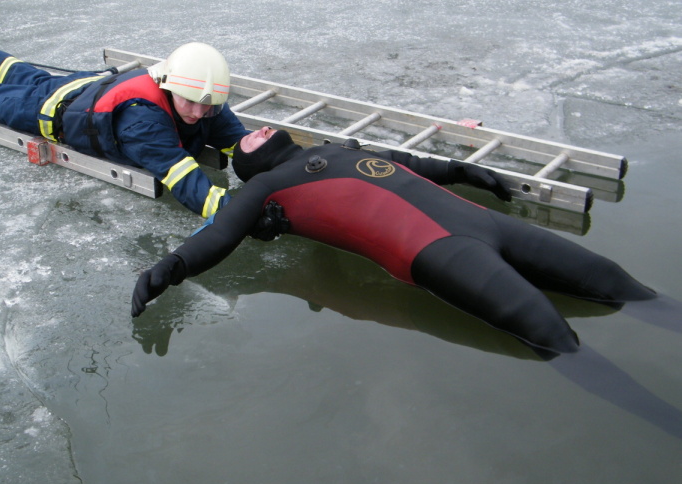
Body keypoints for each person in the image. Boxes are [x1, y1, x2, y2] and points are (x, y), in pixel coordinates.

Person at [131, 127, 657, 354]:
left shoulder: (340, 147)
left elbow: (408, 164)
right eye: (243, 143)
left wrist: (464, 170)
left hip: (486, 222)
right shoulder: (267, 189)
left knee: (613, 281)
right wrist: (170, 268)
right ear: (247, 169)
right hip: (437, 250)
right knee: (550, 333)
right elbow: (221, 235)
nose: (252, 133)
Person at [0, 34, 247, 218]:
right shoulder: (144, 120)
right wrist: (236, 211)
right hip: (56, 112)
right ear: (169, 85)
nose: (200, 113)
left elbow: (239, 141)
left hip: (86, 88)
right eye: (191, 102)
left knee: (32, 78)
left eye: (208, 105)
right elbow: (184, 180)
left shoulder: (201, 98)